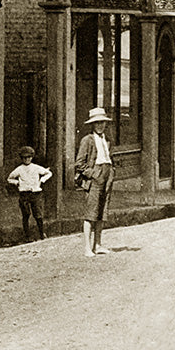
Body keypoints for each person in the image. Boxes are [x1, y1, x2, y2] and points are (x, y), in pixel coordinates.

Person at [74, 107, 115, 257]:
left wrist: (111, 172)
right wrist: (94, 174)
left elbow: (111, 157)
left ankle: (98, 245)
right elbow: (79, 163)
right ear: (92, 124)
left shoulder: (108, 139)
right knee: (91, 213)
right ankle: (87, 248)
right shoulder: (87, 140)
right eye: (97, 123)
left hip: (107, 175)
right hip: (95, 178)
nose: (100, 126)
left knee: (102, 213)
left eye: (102, 123)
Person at [7, 145, 51, 242]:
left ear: (32, 157)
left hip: (35, 193)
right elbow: (9, 178)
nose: (27, 159)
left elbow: (48, 173)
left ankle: (41, 233)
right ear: (22, 158)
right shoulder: (19, 169)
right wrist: (17, 182)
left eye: (29, 157)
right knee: (26, 215)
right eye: (24, 158)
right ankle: (27, 236)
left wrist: (42, 180)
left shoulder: (36, 168)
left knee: (38, 214)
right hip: (24, 194)